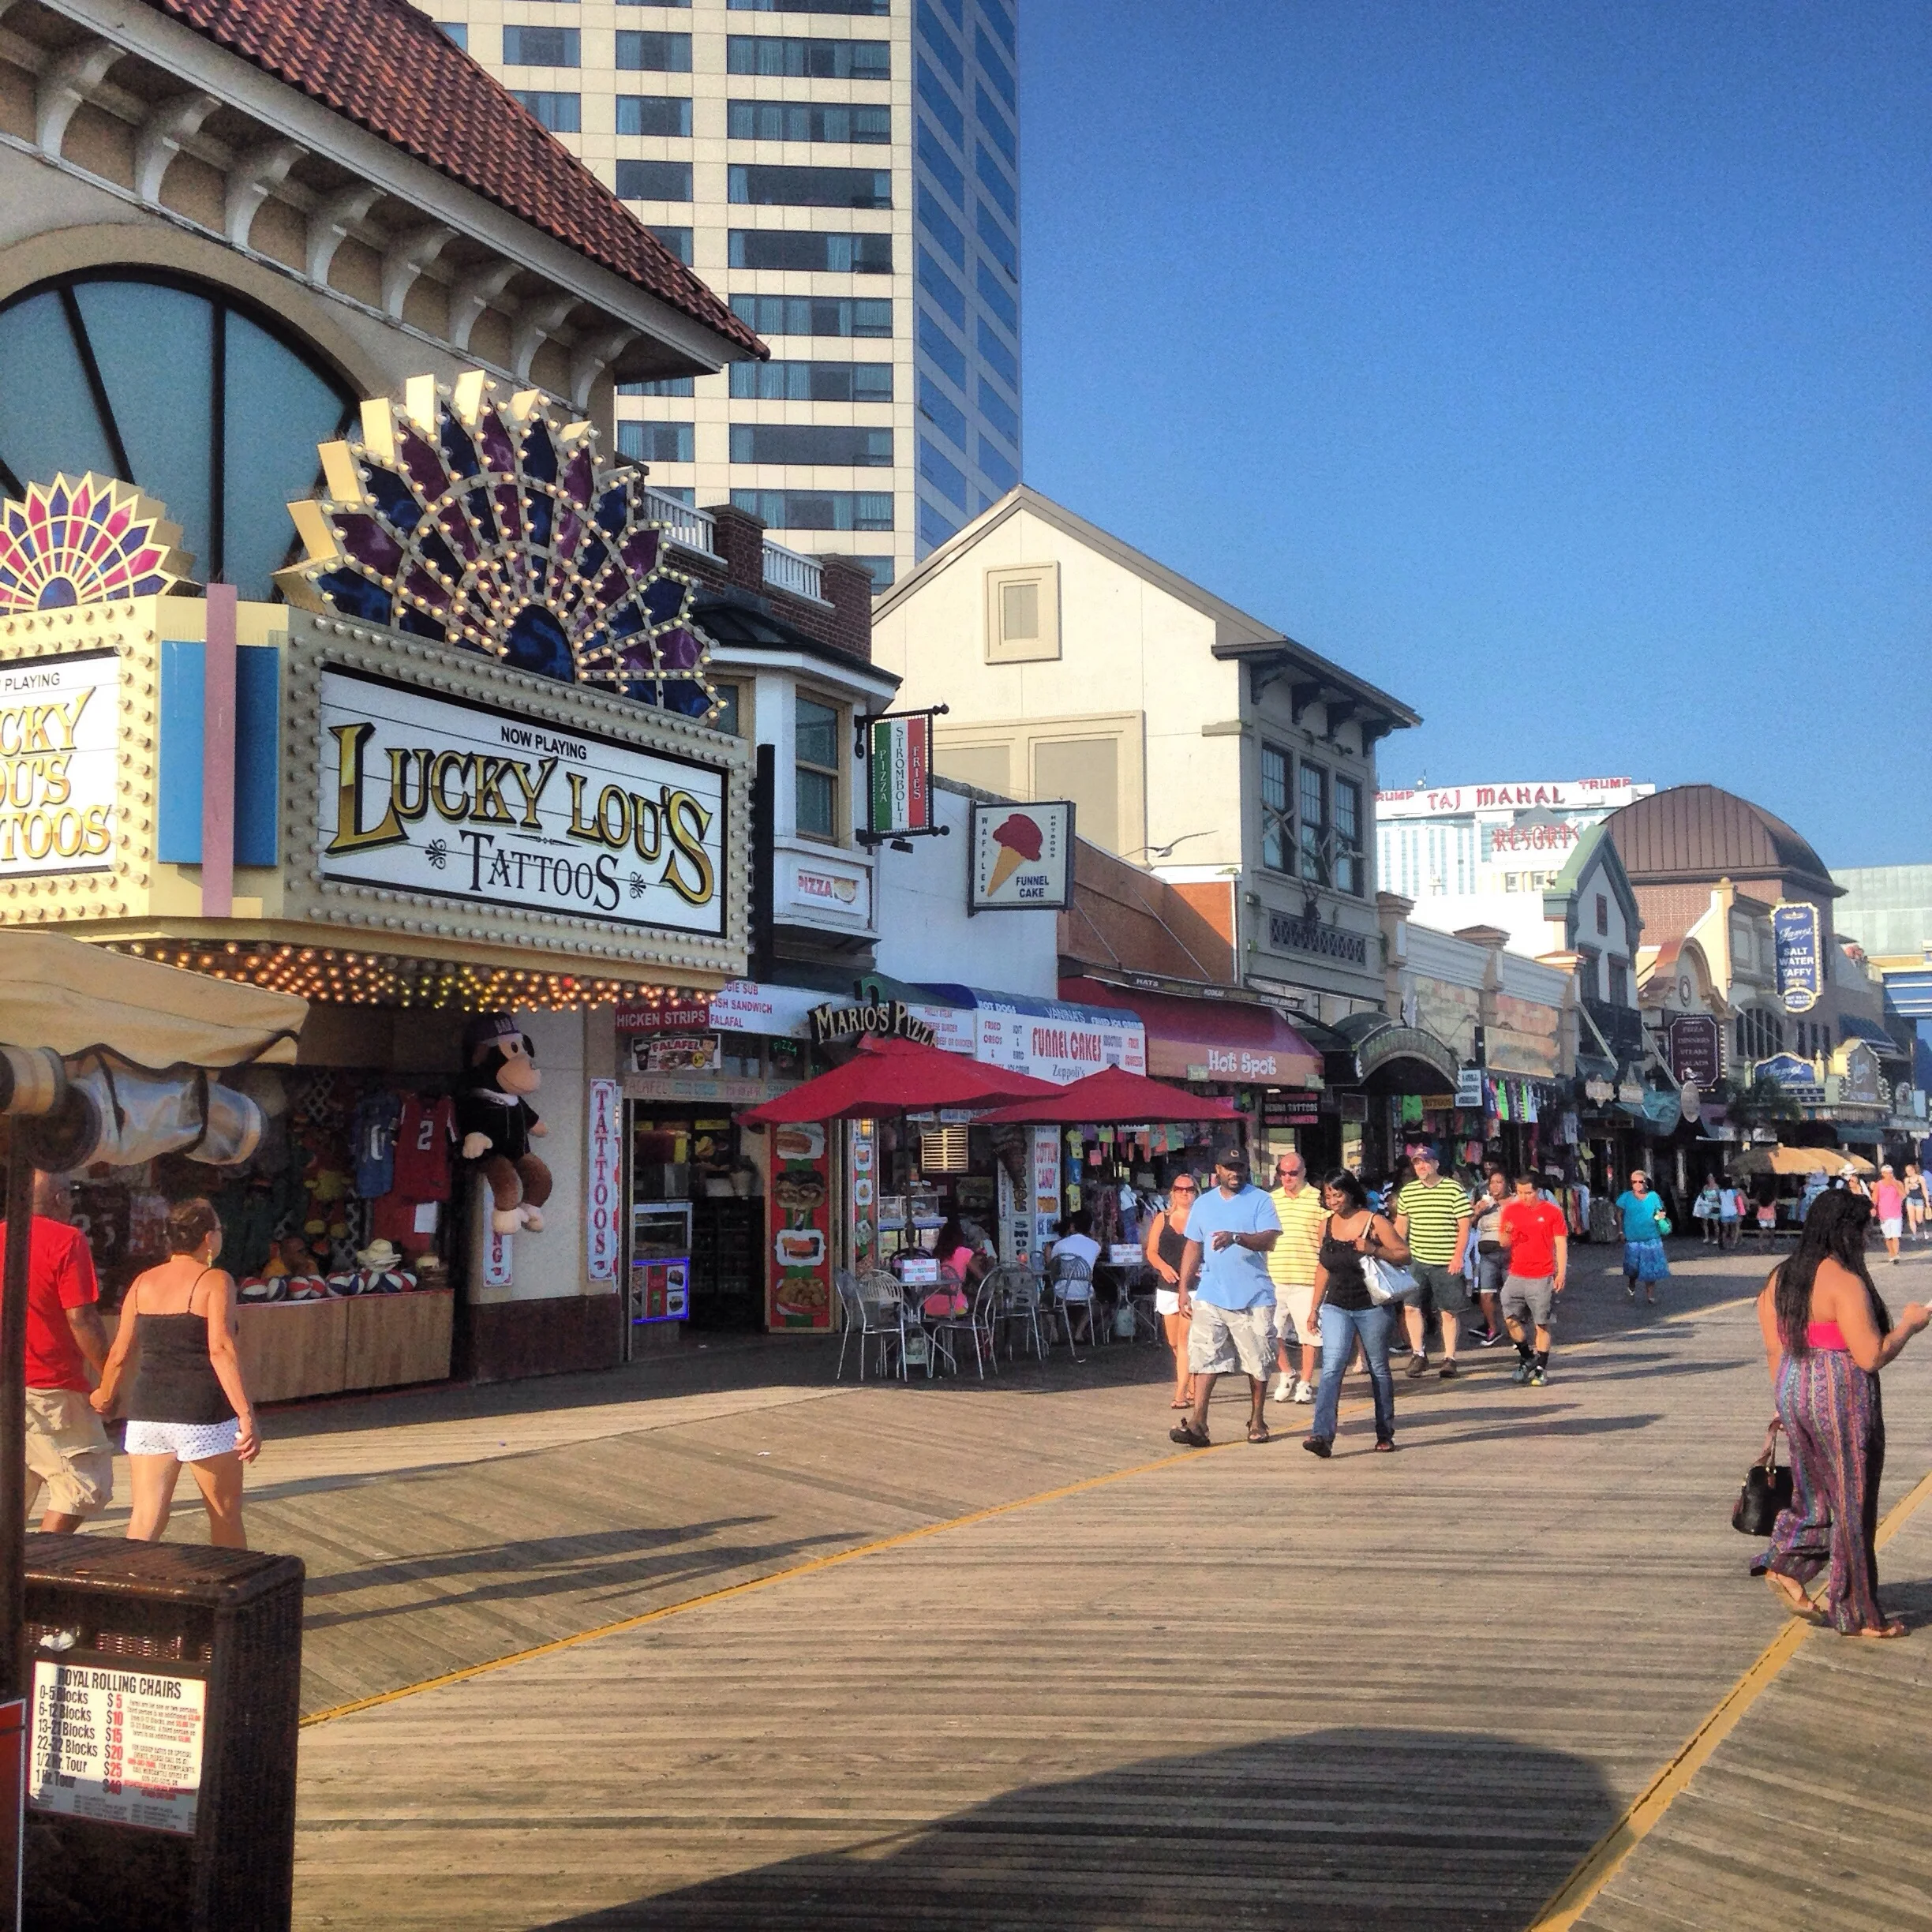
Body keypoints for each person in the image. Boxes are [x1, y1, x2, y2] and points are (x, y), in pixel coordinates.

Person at [1755, 1189, 1930, 1636]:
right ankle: (1857, 1612)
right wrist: (1910, 1325)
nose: (1867, 1237)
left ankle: (1786, 1562)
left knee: (1811, 1490)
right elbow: (1870, 1355)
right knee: (1854, 1500)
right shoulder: (1843, 1281)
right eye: (1864, 1229)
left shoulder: (1780, 1278)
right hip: (1840, 1396)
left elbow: (1775, 1348)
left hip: (1793, 1387)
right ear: (1846, 1231)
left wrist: (1784, 1402)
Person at [92, 1197, 260, 1548]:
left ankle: (131, 1577)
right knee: (224, 1513)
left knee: (146, 1516)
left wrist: (105, 1394)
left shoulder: (142, 1282)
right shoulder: (215, 1280)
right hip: (202, 1412)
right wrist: (246, 1416)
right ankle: (231, 1581)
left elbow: (121, 1352)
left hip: (148, 1412)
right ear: (208, 1238)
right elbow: (221, 1349)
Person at [0, 1171, 113, 1533]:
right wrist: (111, 1375)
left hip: (10, 1385)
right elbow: (81, 1318)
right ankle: (43, 1558)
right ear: (61, 1199)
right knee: (85, 1481)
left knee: (15, 1486)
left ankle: (16, 1563)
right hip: (52, 1385)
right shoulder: (66, 1240)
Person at [1170, 1145, 1280, 1447]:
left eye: (1241, 1167)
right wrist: (1183, 1288)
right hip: (1211, 1292)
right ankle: (1198, 1423)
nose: (1236, 1173)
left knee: (1258, 1361)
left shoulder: (1261, 1199)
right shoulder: (1204, 1204)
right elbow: (1193, 1245)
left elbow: (1269, 1240)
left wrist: (1236, 1238)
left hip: (1254, 1294)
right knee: (1205, 1358)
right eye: (1230, 1168)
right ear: (1217, 1170)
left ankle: (1257, 1419)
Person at [1302, 1168, 1408, 1458]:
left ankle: (1384, 1432)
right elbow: (1323, 1267)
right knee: (1332, 1367)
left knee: (1378, 1368)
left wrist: (1373, 1248)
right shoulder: (1325, 1226)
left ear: (1350, 1193)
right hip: (1336, 1305)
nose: (1333, 1201)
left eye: (1338, 1194)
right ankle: (1322, 1435)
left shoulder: (1374, 1222)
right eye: (1328, 1196)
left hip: (1372, 1305)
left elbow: (1404, 1254)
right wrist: (1314, 1308)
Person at [1392, 1144, 1473, 1380]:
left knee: (1447, 1312)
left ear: (1436, 1164)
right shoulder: (1408, 1192)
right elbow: (1401, 1226)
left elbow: (1464, 1226)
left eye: (1426, 1162)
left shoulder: (1453, 1189)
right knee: (1411, 1307)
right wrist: (1395, 1253)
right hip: (1417, 1259)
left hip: (1446, 1260)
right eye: (1417, 1163)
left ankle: (1450, 1358)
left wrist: (1458, 1256)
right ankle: (1418, 1354)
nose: (1422, 1166)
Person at [1497, 1171, 1569, 1387]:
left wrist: (1561, 1273)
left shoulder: (1552, 1212)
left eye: (1528, 1193)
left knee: (1542, 1323)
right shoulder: (1511, 1210)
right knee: (1510, 1318)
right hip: (1516, 1273)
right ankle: (1527, 1356)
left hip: (1542, 1275)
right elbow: (1503, 1242)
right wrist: (1507, 1232)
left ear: (1537, 1191)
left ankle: (1541, 1368)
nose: (1524, 1197)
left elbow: (1561, 1244)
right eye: (1520, 1193)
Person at [1266, 1151, 1325, 1406]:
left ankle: (1306, 1382)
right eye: (1283, 1173)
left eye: (1293, 1173)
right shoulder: (1270, 1199)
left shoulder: (1318, 1198)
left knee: (1308, 1334)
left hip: (1307, 1276)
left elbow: (1325, 1239)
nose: (1287, 1178)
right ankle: (1287, 1373)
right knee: (1271, 1332)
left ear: (1303, 1173)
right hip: (1274, 1276)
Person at [1144, 1172, 1200, 1410]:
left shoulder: (1202, 1218)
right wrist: (1163, 1267)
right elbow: (1151, 1251)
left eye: (1189, 1189)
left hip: (1193, 1287)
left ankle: (1180, 1393)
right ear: (1173, 1192)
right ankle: (1192, 1381)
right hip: (1168, 1285)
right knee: (1174, 1342)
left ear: (1196, 1192)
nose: (1184, 1193)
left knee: (1184, 1341)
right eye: (1179, 1189)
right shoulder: (1162, 1218)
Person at [1469, 1169, 1512, 1346]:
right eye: (1492, 1183)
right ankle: (1493, 1329)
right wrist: (1477, 1211)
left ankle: (1515, 1331)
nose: (1495, 1186)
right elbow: (1468, 1224)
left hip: (1510, 1253)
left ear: (1507, 1185)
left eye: (1499, 1182)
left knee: (1510, 1295)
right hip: (1487, 1255)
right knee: (1485, 1294)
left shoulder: (1515, 1202)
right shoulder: (1485, 1204)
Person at [1615, 1170, 1671, 1305]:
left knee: (1650, 1269)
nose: (1637, 1184)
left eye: (1640, 1181)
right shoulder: (1626, 1197)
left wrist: (1660, 1216)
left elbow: (1661, 1211)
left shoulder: (1653, 1196)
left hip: (1651, 1237)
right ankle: (1632, 1285)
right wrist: (1620, 1231)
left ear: (1646, 1183)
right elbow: (1618, 1214)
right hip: (1633, 1238)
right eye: (1634, 1182)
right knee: (1633, 1268)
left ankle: (1650, 1295)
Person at [1047, 1211, 1102, 1344]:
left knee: (1045, 1301)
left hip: (1061, 1292)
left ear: (1072, 1226)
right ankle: (1079, 1332)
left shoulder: (1060, 1245)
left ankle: (1054, 1334)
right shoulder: (1095, 1246)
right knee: (1094, 1302)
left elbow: (1053, 1268)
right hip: (1085, 1291)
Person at [1872, 1166, 1905, 1266]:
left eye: (1891, 1172)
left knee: (1895, 1236)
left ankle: (1896, 1254)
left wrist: (1895, 1185)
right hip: (1884, 1214)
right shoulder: (1878, 1185)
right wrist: (1873, 1208)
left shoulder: (1898, 1183)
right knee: (1888, 1237)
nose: (1889, 1175)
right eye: (1887, 1173)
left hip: (1896, 1213)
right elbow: (1875, 1198)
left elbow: (1903, 1195)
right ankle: (1892, 1254)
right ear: (1883, 1174)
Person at [1905, 1163, 1929, 1244]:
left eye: (1909, 1170)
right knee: (1911, 1218)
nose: (1908, 1172)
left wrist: (1927, 1201)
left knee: (1919, 1219)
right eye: (1906, 1171)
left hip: (1919, 1199)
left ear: (1913, 1170)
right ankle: (1914, 1234)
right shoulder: (1907, 1179)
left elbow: (1924, 1190)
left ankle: (1924, 1230)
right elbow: (1906, 1192)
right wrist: (1908, 1187)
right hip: (1910, 1199)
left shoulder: (1920, 1178)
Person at [1718, 1178, 1744, 1250]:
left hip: (1724, 1212)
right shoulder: (1734, 1192)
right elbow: (1736, 1201)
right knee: (1733, 1229)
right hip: (1733, 1211)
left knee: (1725, 1229)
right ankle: (1733, 1244)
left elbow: (1719, 1201)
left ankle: (1723, 1242)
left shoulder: (1720, 1192)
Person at [1694, 1178, 1720, 1245]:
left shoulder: (1717, 1187)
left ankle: (1716, 1239)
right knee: (1705, 1223)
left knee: (1715, 1223)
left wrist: (1710, 1200)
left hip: (1715, 1206)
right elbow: (1702, 1195)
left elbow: (1718, 1197)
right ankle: (1706, 1237)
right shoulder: (1705, 1187)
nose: (1710, 1180)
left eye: (1711, 1179)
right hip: (1706, 1207)